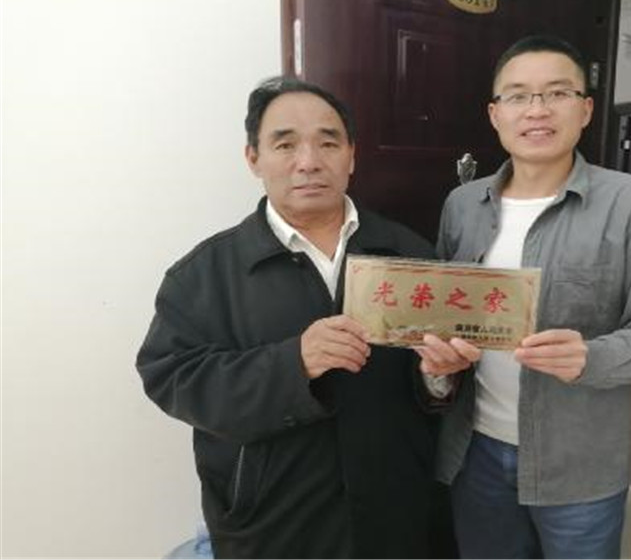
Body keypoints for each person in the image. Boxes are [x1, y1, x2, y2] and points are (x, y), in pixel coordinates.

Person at [136, 77, 467, 559]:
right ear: (253, 158)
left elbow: (438, 385)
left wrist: (439, 377)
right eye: (285, 144)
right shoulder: (205, 274)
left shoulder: (410, 256)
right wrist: (293, 363)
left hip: (395, 517)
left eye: (328, 143)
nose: (309, 161)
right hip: (272, 526)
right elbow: (172, 379)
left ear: (351, 156)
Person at [415, 35, 631, 559]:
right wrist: (439, 364)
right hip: (475, 451)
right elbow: (444, 314)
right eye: (518, 95)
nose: (537, 110)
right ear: (495, 114)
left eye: (557, 93)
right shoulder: (463, 204)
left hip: (579, 461)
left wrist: (592, 356)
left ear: (585, 109)